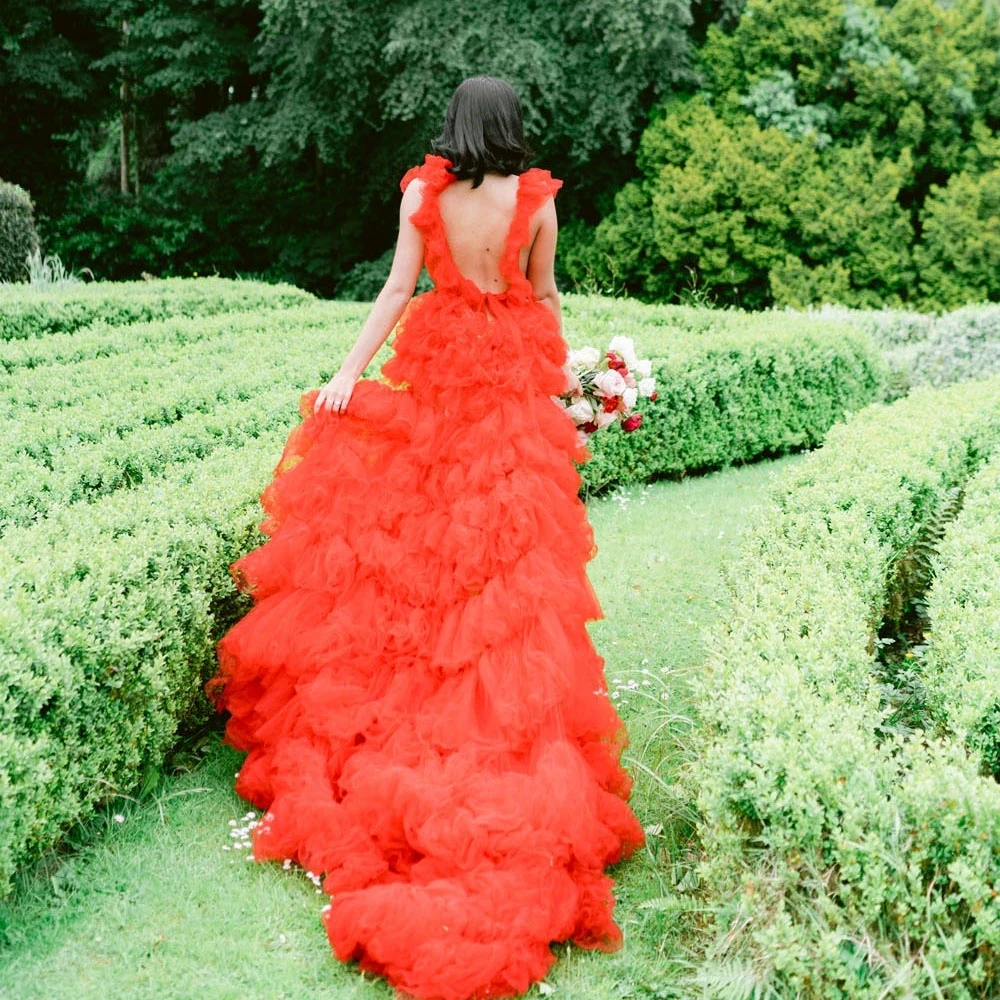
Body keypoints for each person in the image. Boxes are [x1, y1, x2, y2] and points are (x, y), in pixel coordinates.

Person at [205, 75, 645, 1000]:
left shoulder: (420, 194)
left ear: (455, 125)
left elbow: (398, 289)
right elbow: (545, 296)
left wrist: (345, 374)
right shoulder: (536, 199)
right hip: (507, 390)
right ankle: (496, 720)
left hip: (442, 380)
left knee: (422, 548)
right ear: (512, 126)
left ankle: (417, 708)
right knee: (506, 565)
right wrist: (562, 386)